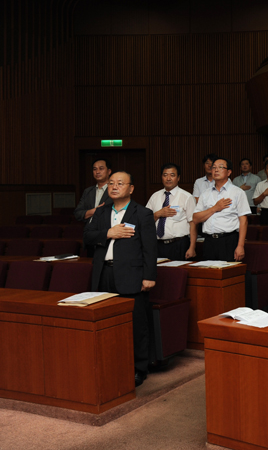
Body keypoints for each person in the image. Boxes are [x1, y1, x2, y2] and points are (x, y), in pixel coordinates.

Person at [84, 171, 157, 387]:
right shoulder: (101, 212)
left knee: (137, 325)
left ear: (131, 188)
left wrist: (149, 276)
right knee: (106, 322)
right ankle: (110, 363)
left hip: (131, 275)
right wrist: (108, 233)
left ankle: (139, 369)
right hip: (103, 274)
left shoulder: (142, 213)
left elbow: (150, 249)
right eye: (111, 183)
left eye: (120, 183)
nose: (114, 187)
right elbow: (87, 237)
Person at [193, 158, 251, 261]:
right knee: (209, 274)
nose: (216, 170)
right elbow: (196, 219)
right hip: (209, 241)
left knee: (229, 274)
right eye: (214, 167)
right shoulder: (205, 193)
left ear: (229, 172)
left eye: (220, 167)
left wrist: (240, 246)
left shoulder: (237, 192)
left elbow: (244, 221)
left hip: (228, 240)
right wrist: (215, 208)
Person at [146, 163, 197, 261]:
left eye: (172, 175)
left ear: (178, 178)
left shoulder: (187, 197)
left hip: (179, 244)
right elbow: (145, 221)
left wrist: (192, 247)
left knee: (177, 274)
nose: (168, 178)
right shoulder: (155, 196)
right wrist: (158, 214)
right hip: (158, 244)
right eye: (165, 175)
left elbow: (193, 223)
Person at [74, 158, 113, 222]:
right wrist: (93, 211)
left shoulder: (114, 189)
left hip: (107, 229)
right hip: (89, 229)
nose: (97, 172)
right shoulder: (88, 191)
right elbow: (77, 213)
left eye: (101, 168)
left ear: (109, 171)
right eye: (95, 169)